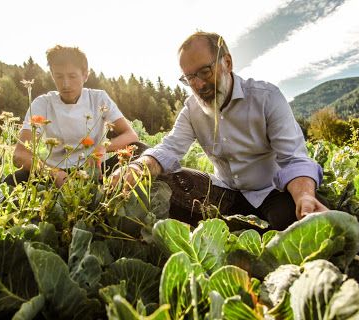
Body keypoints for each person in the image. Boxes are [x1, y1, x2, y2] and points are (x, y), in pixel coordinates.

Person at [110, 31, 328, 231]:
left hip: (271, 192)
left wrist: (304, 196)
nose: (198, 84)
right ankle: (231, 227)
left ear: (227, 62)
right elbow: (170, 148)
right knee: (159, 180)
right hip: (224, 193)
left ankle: (243, 230)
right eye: (189, 78)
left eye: (205, 72)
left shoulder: (266, 98)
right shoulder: (191, 109)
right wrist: (140, 168)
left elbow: (294, 160)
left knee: (300, 222)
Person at [5, 45, 144, 188]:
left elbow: (131, 135)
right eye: (59, 76)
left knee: (141, 150)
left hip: (95, 169)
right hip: (56, 172)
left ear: (85, 75)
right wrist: (53, 173)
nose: (65, 84)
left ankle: (110, 188)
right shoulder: (42, 103)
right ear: (52, 75)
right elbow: (20, 155)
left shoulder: (98, 98)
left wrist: (101, 148)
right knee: (13, 180)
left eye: (72, 76)